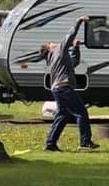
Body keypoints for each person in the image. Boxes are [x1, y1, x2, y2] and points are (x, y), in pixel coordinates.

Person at [40, 16, 99, 152]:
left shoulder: (56, 58)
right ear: (49, 49)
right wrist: (79, 21)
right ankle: (85, 143)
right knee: (81, 113)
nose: (53, 43)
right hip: (64, 87)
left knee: (63, 115)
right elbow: (70, 34)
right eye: (50, 43)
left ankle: (50, 143)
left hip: (57, 88)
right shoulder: (58, 50)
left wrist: (76, 48)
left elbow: (74, 62)